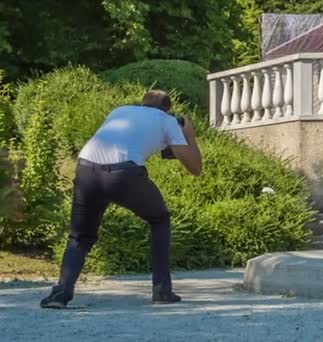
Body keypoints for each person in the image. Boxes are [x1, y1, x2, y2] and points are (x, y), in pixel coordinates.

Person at [40, 90, 202, 309]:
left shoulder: (121, 111)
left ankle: (61, 293)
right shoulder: (168, 121)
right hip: (123, 174)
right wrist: (189, 135)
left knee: (80, 236)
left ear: (142, 103)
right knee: (159, 218)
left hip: (86, 168)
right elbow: (195, 168)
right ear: (168, 109)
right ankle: (162, 290)